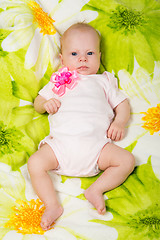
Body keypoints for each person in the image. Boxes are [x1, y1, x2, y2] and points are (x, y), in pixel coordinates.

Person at [27, 23, 135, 231]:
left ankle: (96, 190)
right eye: (74, 53)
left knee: (126, 160)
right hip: (60, 147)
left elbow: (123, 104)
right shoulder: (58, 81)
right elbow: (38, 104)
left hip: (96, 147)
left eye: (90, 53)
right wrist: (46, 104)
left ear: (100, 56)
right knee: (35, 163)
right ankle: (52, 205)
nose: (83, 58)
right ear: (62, 59)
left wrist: (119, 122)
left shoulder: (103, 81)